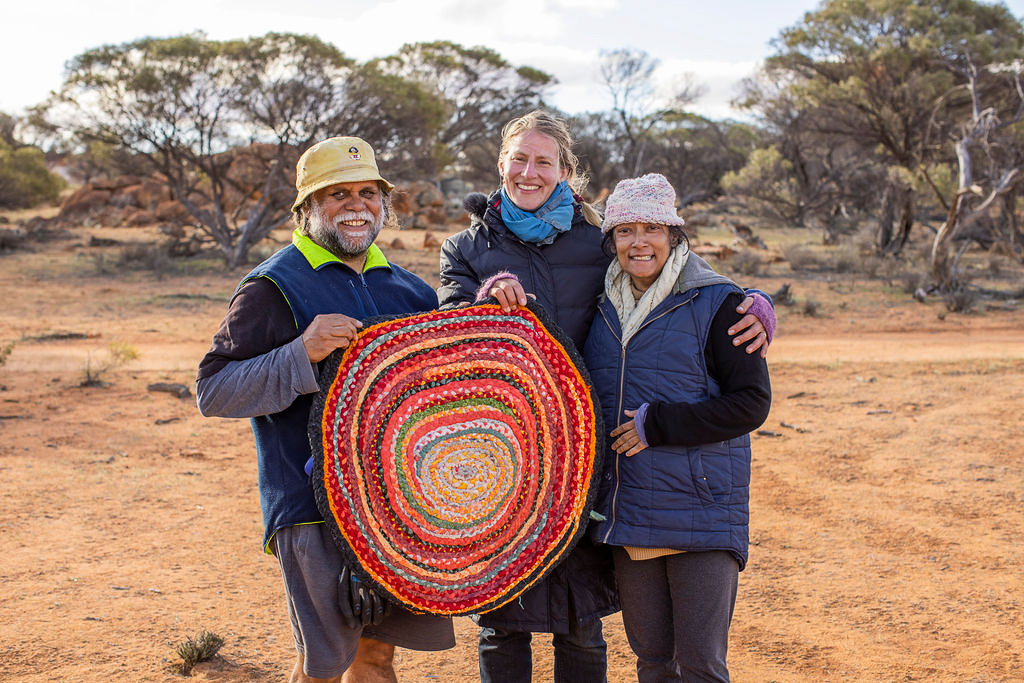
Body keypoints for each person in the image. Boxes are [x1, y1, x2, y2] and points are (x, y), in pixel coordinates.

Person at [438, 110, 775, 683]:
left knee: (581, 614)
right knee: (501, 617)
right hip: (502, 453)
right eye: (518, 158)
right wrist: (481, 300)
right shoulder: (466, 248)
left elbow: (668, 267)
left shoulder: (596, 242)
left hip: (589, 457)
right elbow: (450, 331)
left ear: (566, 171)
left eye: (544, 160)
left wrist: (747, 299)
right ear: (501, 165)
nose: (529, 171)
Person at [197, 136, 454, 683]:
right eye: (337, 193)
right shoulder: (273, 287)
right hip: (311, 506)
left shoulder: (409, 291)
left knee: (378, 656)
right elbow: (214, 392)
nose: (356, 204)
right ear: (307, 208)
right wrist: (300, 353)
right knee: (325, 663)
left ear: (384, 203)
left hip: (401, 507)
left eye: (367, 192)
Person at [582, 173, 772, 681]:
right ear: (612, 240)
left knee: (701, 665)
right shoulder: (599, 305)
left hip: (701, 510)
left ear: (675, 235)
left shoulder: (720, 304)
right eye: (625, 230)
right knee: (653, 662)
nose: (638, 241)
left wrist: (658, 424)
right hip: (629, 508)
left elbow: (751, 404)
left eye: (652, 228)